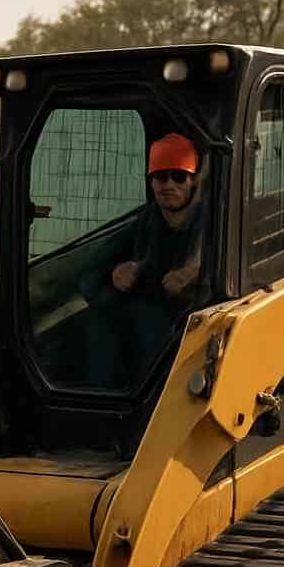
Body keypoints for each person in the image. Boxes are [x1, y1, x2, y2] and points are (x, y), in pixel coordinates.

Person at [80, 131, 211, 388]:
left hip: (192, 326)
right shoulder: (146, 222)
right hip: (143, 314)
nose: (169, 185)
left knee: (147, 324)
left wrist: (194, 273)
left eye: (179, 177)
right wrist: (115, 274)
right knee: (95, 321)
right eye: (161, 177)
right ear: (151, 183)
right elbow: (92, 271)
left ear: (193, 182)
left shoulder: (211, 223)